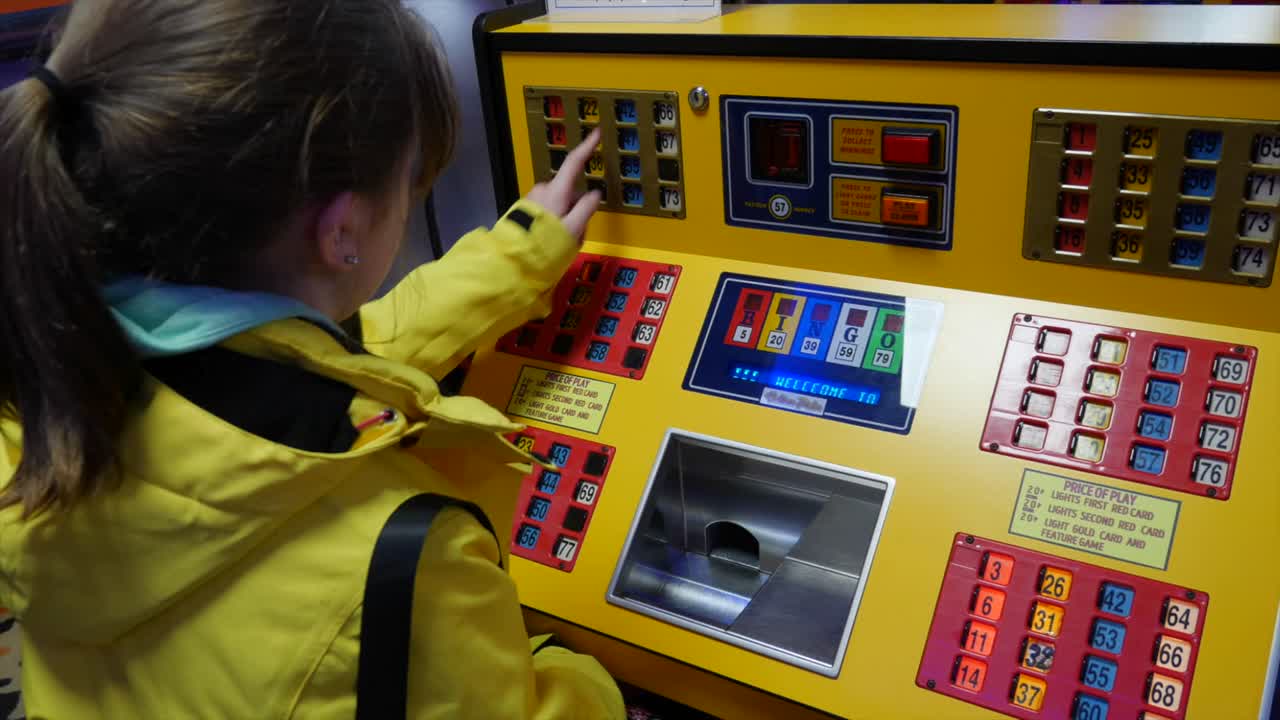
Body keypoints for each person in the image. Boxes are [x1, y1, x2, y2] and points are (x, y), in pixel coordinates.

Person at [0, 1, 623, 718]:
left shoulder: (48, 383)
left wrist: (521, 255)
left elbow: (334, 361)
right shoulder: (415, 563)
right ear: (344, 228)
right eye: (412, 173)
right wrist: (573, 671)